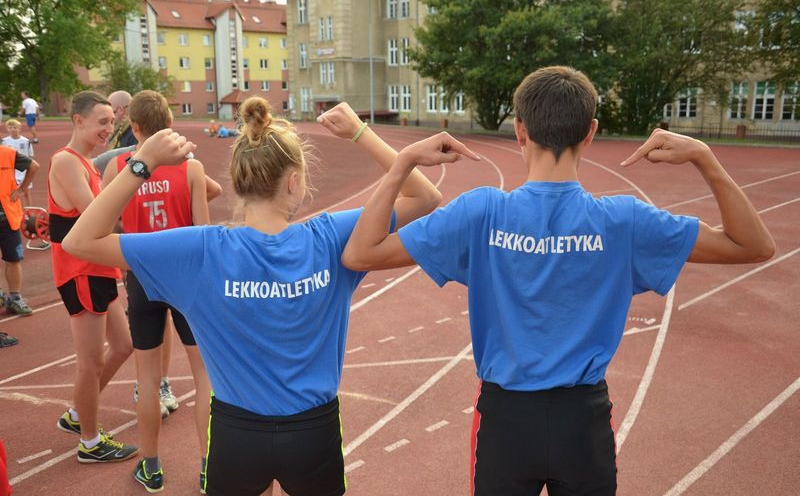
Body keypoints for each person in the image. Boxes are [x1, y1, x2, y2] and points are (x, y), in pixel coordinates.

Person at [340, 66, 776, 496]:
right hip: (582, 424)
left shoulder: (480, 213)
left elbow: (362, 252)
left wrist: (403, 164)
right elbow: (753, 246)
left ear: (519, 130)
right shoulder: (623, 221)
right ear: (590, 133)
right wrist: (704, 157)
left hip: (505, 422)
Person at [62, 98, 447, 495]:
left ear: (238, 181)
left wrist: (142, 163)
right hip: (313, 433)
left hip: (236, 435)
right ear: (294, 181)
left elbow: (80, 240)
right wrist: (360, 133)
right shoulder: (330, 237)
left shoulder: (200, 251)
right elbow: (426, 198)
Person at [101, 90, 212, 492]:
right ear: (170, 123)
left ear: (134, 128)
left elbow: (106, 225)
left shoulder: (118, 168)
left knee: (147, 380)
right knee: (205, 377)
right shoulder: (192, 168)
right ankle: (208, 465)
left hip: (142, 275)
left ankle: (150, 466)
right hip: (186, 278)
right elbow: (203, 232)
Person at [48, 90, 138, 463]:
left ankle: (77, 414)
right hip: (80, 271)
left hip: (99, 269)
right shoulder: (65, 162)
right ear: (78, 120)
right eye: (102, 122)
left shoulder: (87, 164)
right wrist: (137, 170)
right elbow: (94, 213)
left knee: (123, 345)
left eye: (112, 122)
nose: (108, 128)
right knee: (91, 361)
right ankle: (89, 441)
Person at [0, 140, 38, 316]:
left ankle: (15, 298)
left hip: (7, 218)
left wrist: (22, 190)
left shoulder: (8, 153)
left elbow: (34, 166)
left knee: (13, 259)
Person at [2, 119, 35, 207]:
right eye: (10, 127)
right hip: (12, 171)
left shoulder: (26, 141)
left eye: (15, 127)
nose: (13, 129)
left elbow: (30, 155)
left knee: (26, 191)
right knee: (13, 192)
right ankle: (19, 211)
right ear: (7, 129)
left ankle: (29, 211)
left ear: (19, 128)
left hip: (24, 170)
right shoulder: (4, 141)